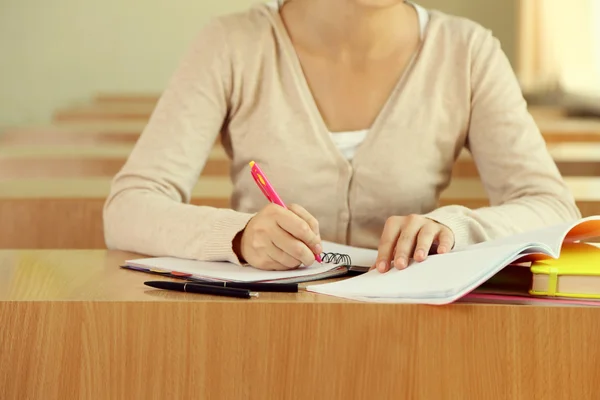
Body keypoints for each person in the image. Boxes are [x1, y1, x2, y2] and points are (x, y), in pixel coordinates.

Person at [103, 0, 581, 273]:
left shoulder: (467, 52)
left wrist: (455, 229)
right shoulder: (233, 44)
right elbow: (129, 207)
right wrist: (239, 236)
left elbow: (552, 206)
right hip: (256, 332)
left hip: (409, 335)